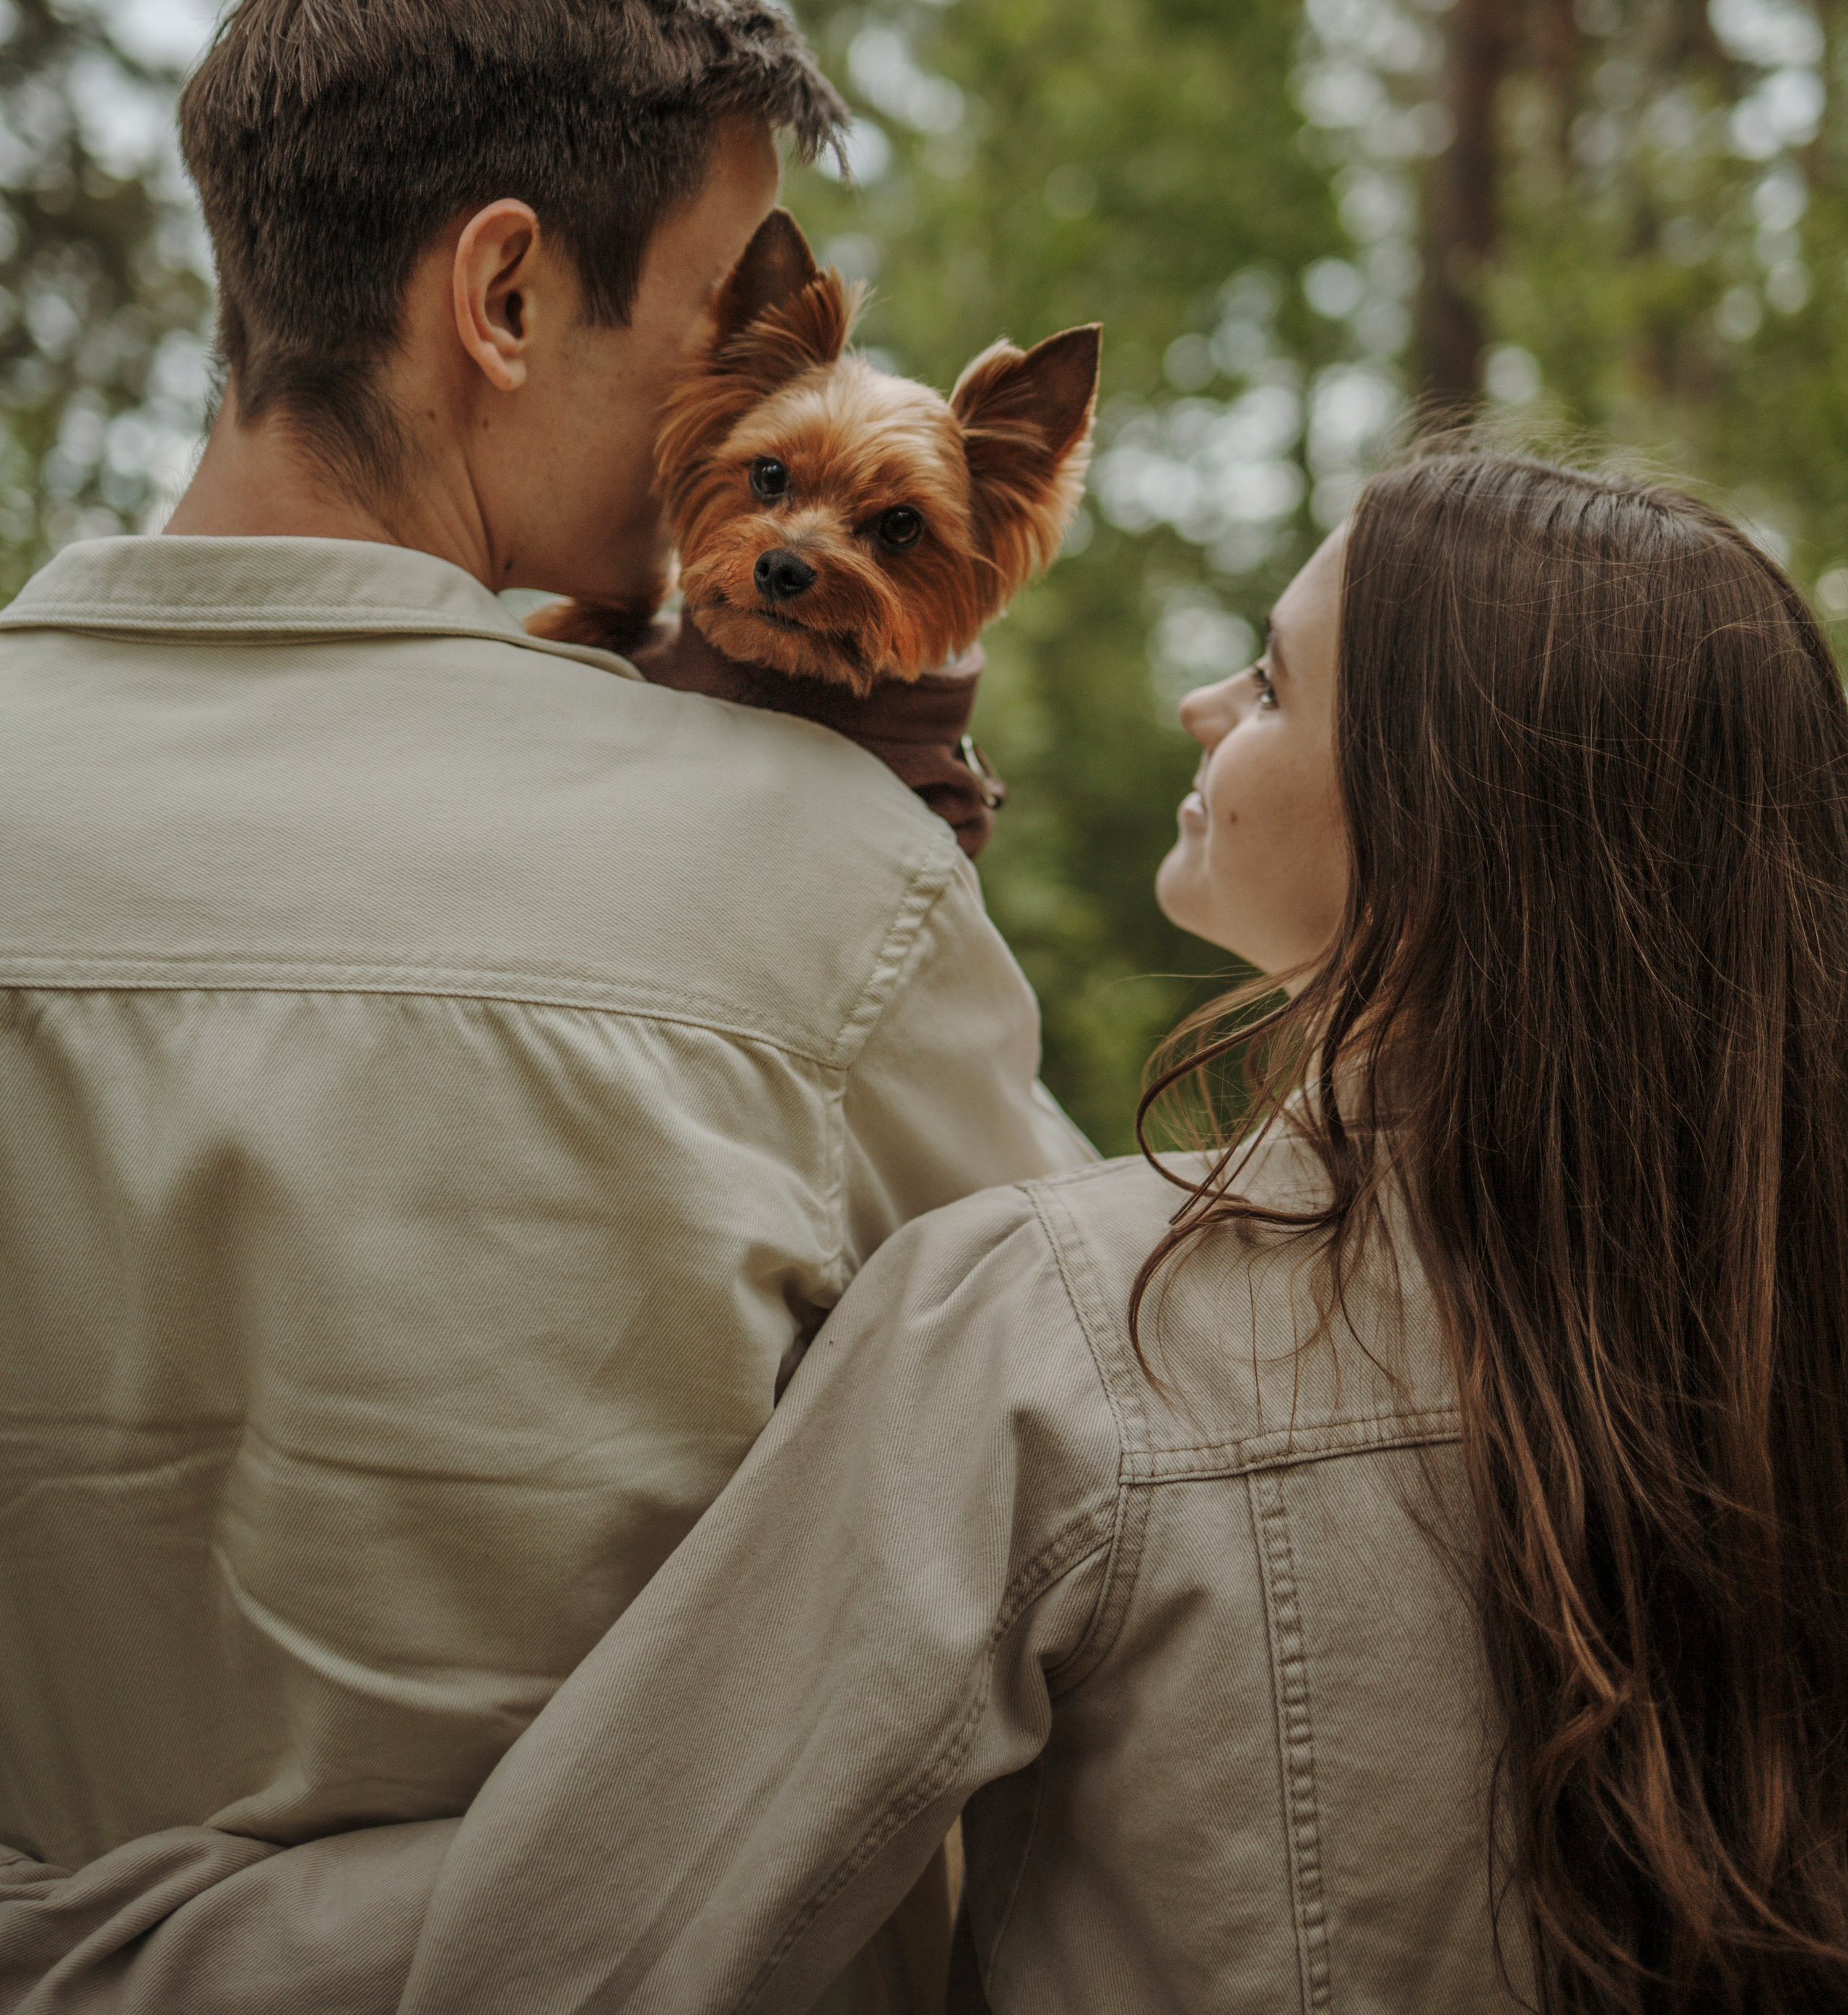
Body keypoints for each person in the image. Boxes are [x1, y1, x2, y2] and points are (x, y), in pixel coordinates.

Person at [0, 0, 1088, 2009]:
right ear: (503, 297)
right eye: (714, 321)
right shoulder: (824, 875)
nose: (734, 399)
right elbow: (1123, 1475)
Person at [376, 451, 1848, 2015]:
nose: (1199, 708)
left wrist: (156, 1937)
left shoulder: (1058, 1327)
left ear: (1445, 822)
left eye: (1271, 688)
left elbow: (570, 1952)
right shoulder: (1784, 1325)